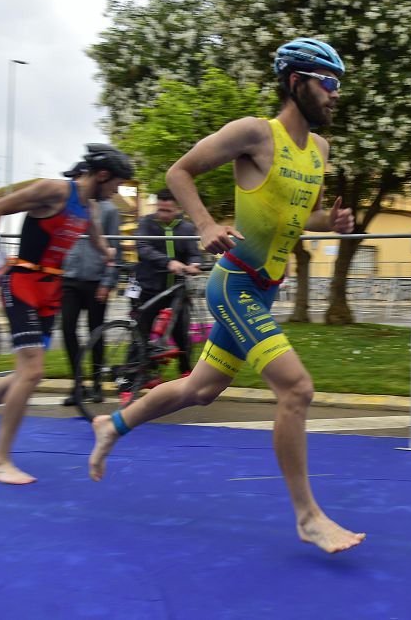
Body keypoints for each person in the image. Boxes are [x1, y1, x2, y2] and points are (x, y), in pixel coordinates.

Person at [88, 37, 365, 553]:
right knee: (297, 390)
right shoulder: (255, 134)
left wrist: (333, 221)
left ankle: (113, 424)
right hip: (233, 282)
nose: (335, 95)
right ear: (296, 83)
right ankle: (307, 516)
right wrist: (205, 222)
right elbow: (179, 171)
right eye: (327, 83)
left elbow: (301, 219)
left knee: (199, 389)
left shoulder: (320, 152)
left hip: (262, 292)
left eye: (338, 86)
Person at [0, 145, 131, 484]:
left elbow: (94, 237)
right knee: (33, 370)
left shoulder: (90, 207)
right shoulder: (54, 191)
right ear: (101, 175)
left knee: (28, 370)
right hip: (22, 281)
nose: (117, 191)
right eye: (116, 183)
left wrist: (108, 255)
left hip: (50, 289)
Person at [60, 161, 122, 406]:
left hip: (96, 280)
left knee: (96, 332)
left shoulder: (109, 209)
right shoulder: (68, 207)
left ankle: (97, 384)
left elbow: (114, 247)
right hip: (69, 278)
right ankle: (78, 385)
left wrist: (108, 281)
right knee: (67, 329)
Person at [132, 188, 202, 381]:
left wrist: (194, 263)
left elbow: (193, 252)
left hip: (177, 291)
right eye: (160, 209)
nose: (162, 214)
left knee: (181, 332)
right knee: (141, 331)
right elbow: (143, 248)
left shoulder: (187, 228)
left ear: (178, 209)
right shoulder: (146, 223)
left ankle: (186, 372)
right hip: (150, 287)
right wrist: (168, 262)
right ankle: (135, 374)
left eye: (167, 211)